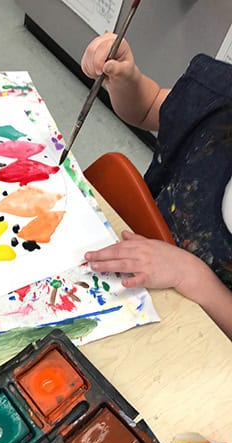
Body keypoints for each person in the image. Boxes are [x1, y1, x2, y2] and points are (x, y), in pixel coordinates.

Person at [81, 33, 232, 339]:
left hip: (199, 344)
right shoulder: (221, 98)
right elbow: (148, 107)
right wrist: (126, 78)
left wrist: (190, 274)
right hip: (131, 279)